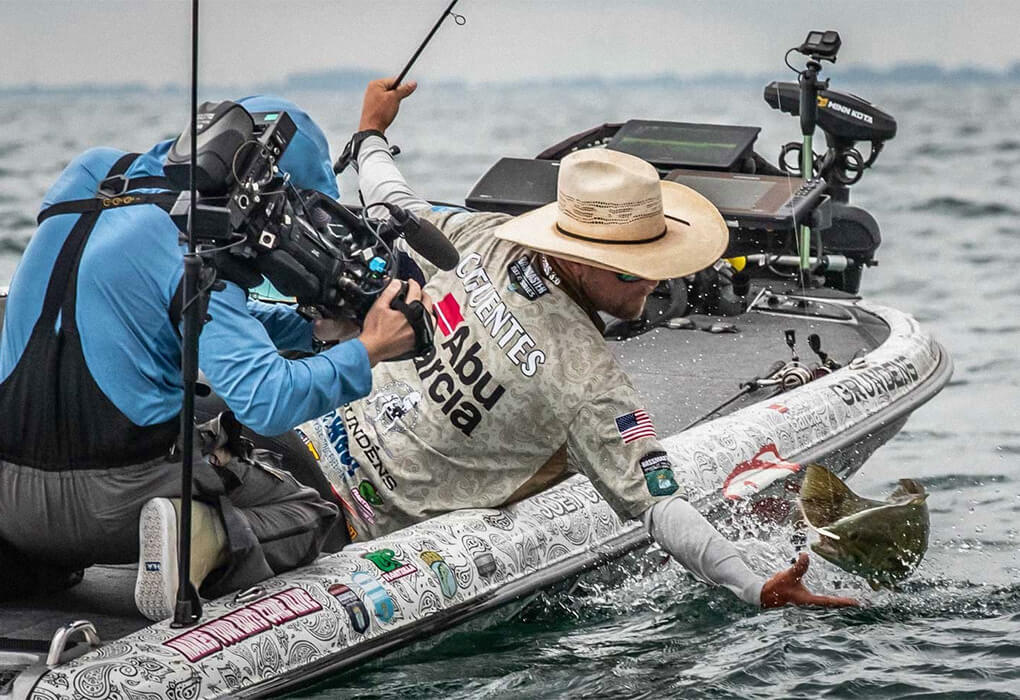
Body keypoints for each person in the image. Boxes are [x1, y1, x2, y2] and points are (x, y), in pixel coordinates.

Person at [298, 78, 857, 609]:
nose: (657, 281)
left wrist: (370, 134)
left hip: (296, 443)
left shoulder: (486, 239)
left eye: (655, 263)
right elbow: (659, 506)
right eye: (634, 269)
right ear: (581, 258)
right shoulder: (588, 381)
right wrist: (753, 584)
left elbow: (395, 203)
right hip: (336, 522)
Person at [0, 94, 431, 620]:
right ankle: (198, 540)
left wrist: (312, 330)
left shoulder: (91, 174)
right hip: (111, 507)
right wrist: (372, 347)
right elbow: (267, 403)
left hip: (9, 500)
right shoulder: (198, 250)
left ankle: (26, 562)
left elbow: (159, 312)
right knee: (312, 512)